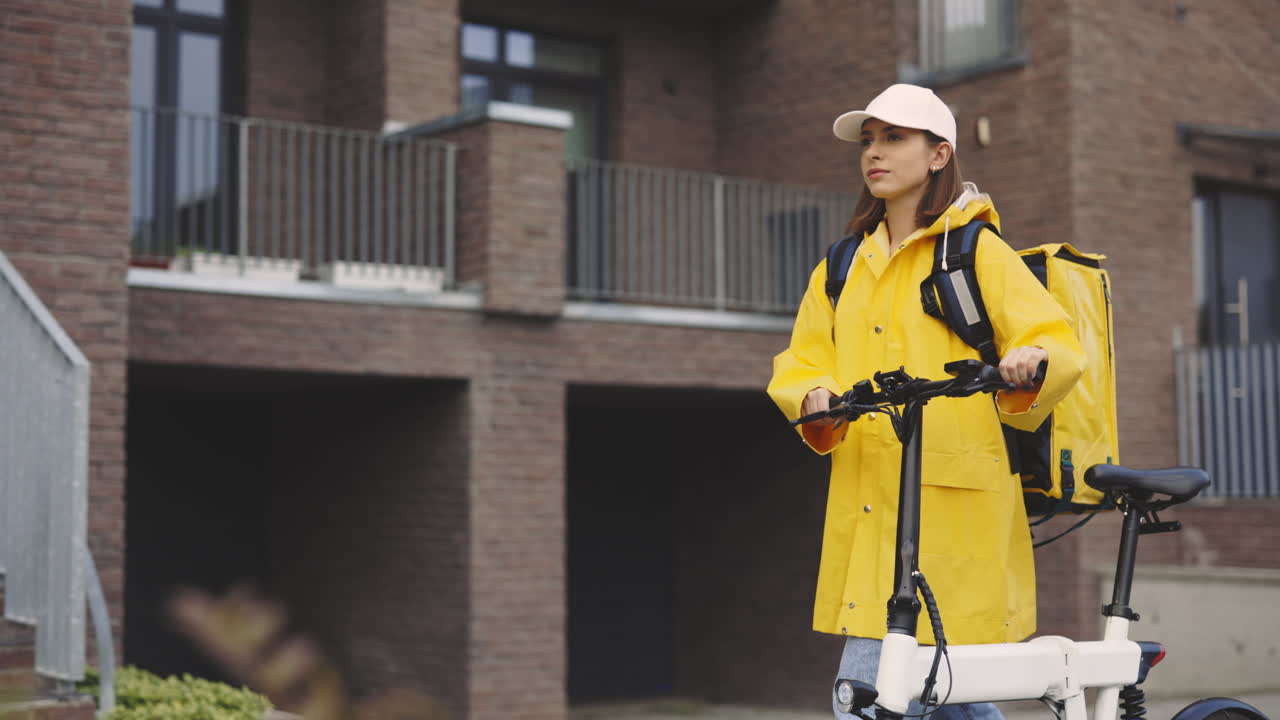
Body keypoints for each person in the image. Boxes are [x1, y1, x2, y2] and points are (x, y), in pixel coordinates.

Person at [766, 84, 1087, 720]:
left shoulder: (974, 249)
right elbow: (801, 360)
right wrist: (812, 394)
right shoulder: (841, 265)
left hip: (957, 513)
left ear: (939, 155)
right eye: (868, 141)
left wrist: (1028, 360)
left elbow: (1057, 344)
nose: (874, 153)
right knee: (931, 695)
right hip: (870, 506)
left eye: (894, 138)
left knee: (882, 695)